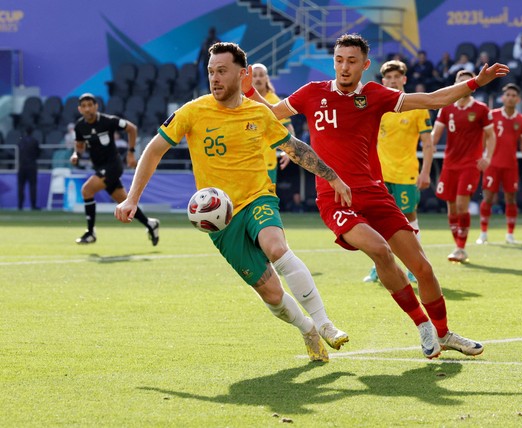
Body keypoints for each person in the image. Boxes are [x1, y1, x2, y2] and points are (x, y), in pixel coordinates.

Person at [243, 33, 509, 359]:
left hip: (375, 192)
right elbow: (271, 113)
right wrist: (247, 89)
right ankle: (422, 325)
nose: (344, 67)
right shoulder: (313, 93)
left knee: (422, 268)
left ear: (365, 65)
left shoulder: (374, 94)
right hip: (334, 197)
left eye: (352, 61)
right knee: (380, 250)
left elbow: (432, 100)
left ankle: (444, 333)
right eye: (339, 60)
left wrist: (475, 84)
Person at [115, 42, 351, 363]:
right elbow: (155, 149)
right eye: (211, 71)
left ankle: (325, 324)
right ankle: (307, 328)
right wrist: (132, 198)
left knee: (277, 248)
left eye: (222, 71)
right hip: (221, 220)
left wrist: (332, 176)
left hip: (258, 199)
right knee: (271, 295)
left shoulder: (259, 113)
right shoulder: (192, 112)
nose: (215, 78)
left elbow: (294, 147)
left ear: (243, 75)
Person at [362, 59, 434, 284]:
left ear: (404, 79)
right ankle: (379, 266)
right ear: (383, 80)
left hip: (406, 173)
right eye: (388, 78)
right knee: (377, 221)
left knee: (409, 219)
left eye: (396, 77)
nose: (392, 81)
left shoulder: (416, 107)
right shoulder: (377, 105)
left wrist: (426, 172)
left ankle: (414, 266)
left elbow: (428, 144)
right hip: (380, 175)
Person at [71, 93, 159, 245]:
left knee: (87, 190)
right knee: (125, 202)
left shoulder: (108, 121)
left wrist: (131, 153)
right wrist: (76, 155)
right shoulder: (80, 126)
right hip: (99, 167)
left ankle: (91, 233)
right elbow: (79, 146)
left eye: (90, 105)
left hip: (113, 166)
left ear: (96, 106)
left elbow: (132, 128)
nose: (87, 109)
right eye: (84, 106)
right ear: (80, 109)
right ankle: (150, 224)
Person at [430, 69, 496, 262]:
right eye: (461, 81)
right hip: (450, 164)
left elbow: (491, 136)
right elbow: (436, 133)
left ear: (473, 86)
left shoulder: (482, 109)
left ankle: (460, 247)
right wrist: (430, 147)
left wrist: (488, 156)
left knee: (461, 205)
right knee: (451, 208)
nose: (464, 84)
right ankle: (457, 246)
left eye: (468, 81)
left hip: (470, 164)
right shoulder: (447, 108)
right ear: (455, 85)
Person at [476, 83, 522, 245]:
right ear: (502, 98)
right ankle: (483, 233)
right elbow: (482, 137)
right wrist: (480, 155)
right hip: (492, 164)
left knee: (511, 198)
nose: (510, 98)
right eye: (507, 95)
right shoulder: (492, 115)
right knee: (488, 197)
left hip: (511, 165)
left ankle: (510, 234)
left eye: (513, 95)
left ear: (518, 99)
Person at [251, 63, 295, 184]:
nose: (258, 78)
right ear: (249, 79)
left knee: (267, 199)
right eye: (254, 75)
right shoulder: (243, 100)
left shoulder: (274, 101)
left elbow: (288, 127)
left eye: (261, 75)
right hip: (246, 163)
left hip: (267, 163)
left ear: (266, 78)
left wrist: (289, 150)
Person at [17, 126, 40, 211]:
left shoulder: (21, 141)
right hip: (31, 166)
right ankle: (33, 205)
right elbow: (38, 153)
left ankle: (20, 205)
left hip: (22, 166)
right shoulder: (35, 141)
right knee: (33, 186)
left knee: (20, 186)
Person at [196, 27, 221, 91]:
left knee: (213, 77)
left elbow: (221, 52)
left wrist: (198, 62)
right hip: (209, 62)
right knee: (209, 77)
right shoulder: (207, 42)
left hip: (212, 62)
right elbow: (201, 52)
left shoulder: (216, 41)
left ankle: (213, 90)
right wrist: (198, 62)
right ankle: (211, 90)